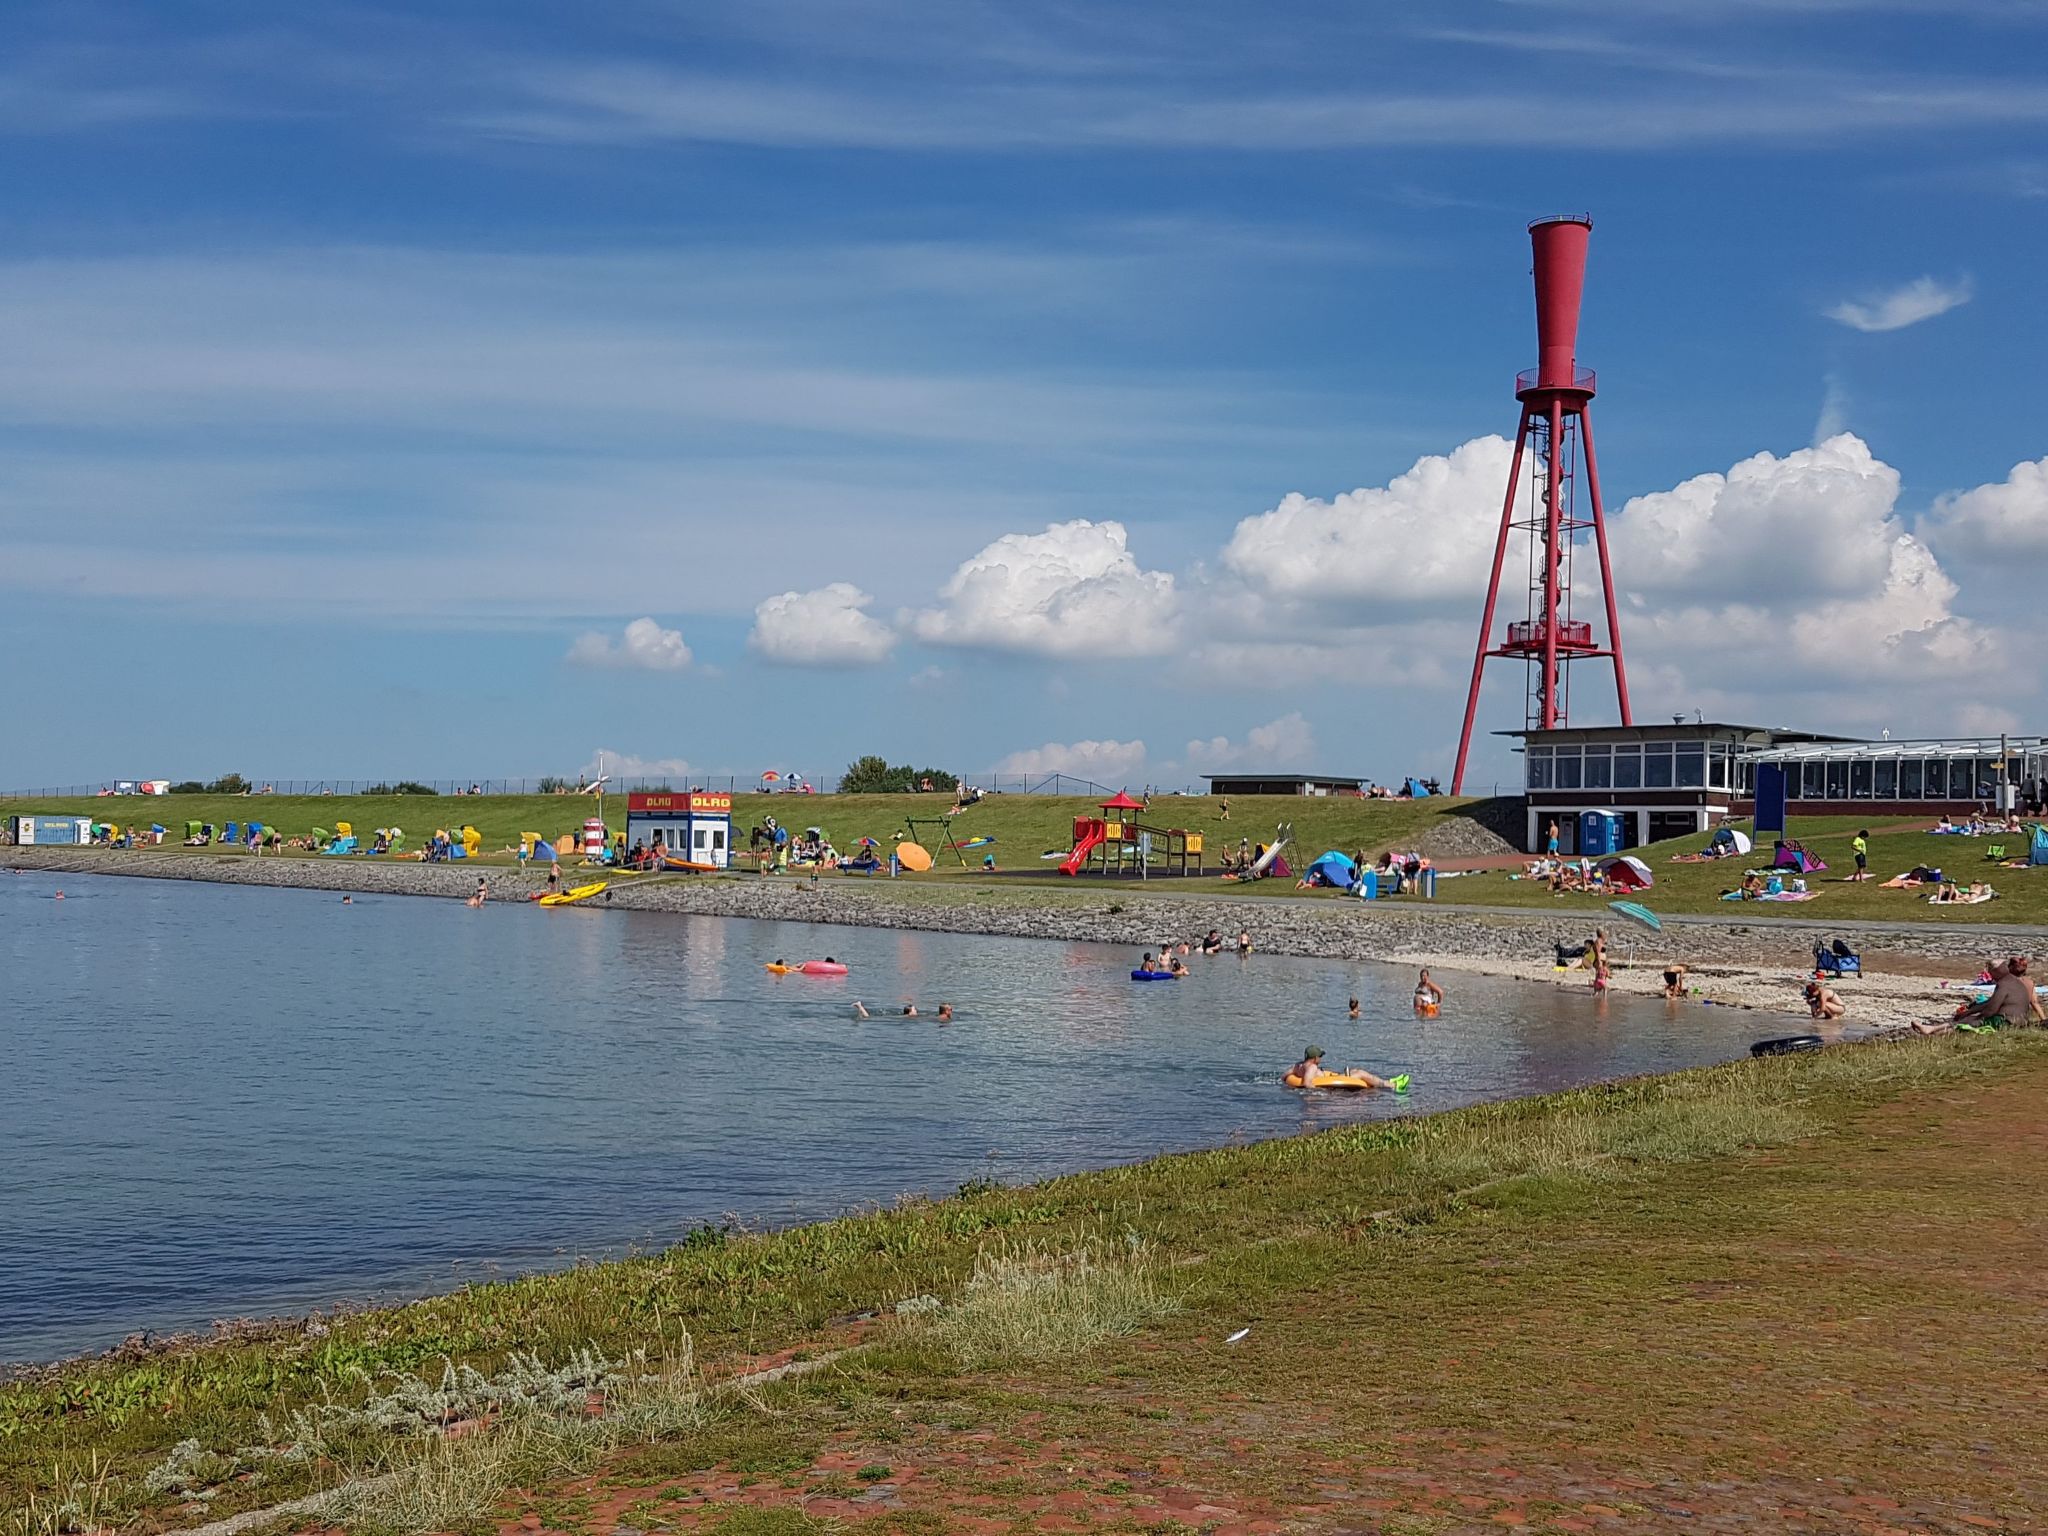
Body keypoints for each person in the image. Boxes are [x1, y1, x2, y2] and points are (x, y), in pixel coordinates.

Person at [1288, 1045, 1399, 1092]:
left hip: (1328, 1079)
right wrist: (1321, 1091)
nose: (1320, 1059)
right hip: (1328, 1084)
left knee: (1354, 1071)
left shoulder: (1298, 1065)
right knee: (1360, 1073)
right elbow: (1307, 1083)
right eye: (1320, 1057)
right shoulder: (1312, 1067)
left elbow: (1284, 1077)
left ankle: (1385, 1083)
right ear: (1315, 1058)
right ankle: (1389, 1085)